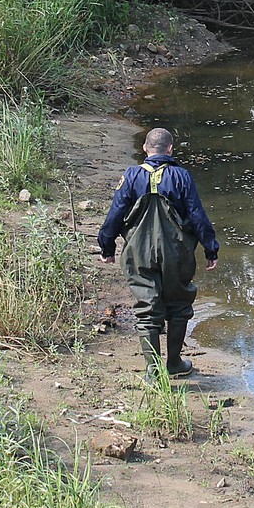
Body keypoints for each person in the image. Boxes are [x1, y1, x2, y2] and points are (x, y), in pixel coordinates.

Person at [98, 127, 219, 378]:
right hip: (177, 252)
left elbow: (116, 213)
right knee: (178, 304)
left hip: (138, 251)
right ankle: (174, 363)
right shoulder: (181, 177)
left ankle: (152, 371)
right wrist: (210, 248)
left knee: (147, 306)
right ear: (170, 149)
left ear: (145, 148)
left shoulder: (131, 176)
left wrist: (106, 245)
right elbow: (197, 215)